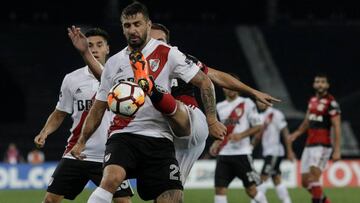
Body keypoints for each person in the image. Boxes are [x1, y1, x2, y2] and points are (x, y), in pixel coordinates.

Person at [70, 2, 226, 202]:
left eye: (137, 24)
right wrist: (81, 141)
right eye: (127, 26)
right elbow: (98, 108)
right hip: (123, 134)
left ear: (148, 25)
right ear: (122, 28)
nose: (132, 30)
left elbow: (204, 81)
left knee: (172, 197)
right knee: (111, 179)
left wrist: (212, 120)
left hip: (159, 136)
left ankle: (150, 87)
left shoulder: (168, 53)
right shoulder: (114, 63)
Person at [149, 23, 280, 183]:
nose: (158, 45)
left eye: (161, 41)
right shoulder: (133, 65)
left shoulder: (181, 60)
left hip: (187, 126)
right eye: (153, 41)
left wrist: (253, 91)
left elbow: (216, 76)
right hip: (157, 130)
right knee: (169, 189)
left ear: (169, 44)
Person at [33, 27, 133, 203]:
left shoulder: (121, 76)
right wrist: (44, 132)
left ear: (107, 48)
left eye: (99, 45)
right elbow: (60, 112)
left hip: (109, 154)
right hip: (76, 152)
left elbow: (105, 79)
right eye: (90, 45)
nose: (94, 49)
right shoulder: (72, 79)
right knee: (50, 200)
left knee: (123, 201)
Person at [209, 86, 268, 203]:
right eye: (228, 87)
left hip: (242, 154)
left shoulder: (247, 103)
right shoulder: (219, 106)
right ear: (224, 89)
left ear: (238, 89)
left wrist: (241, 135)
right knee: (220, 189)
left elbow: (258, 126)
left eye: (234, 87)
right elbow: (221, 130)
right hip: (224, 154)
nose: (231, 89)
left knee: (251, 190)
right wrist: (216, 142)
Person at [289, 73, 341, 203]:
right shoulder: (312, 101)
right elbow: (307, 121)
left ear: (327, 85)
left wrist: (337, 149)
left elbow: (337, 126)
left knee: (313, 178)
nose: (320, 84)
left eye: (323, 82)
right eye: (318, 82)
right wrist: (296, 133)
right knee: (305, 182)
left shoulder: (331, 103)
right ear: (314, 84)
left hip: (322, 145)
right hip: (309, 145)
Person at [251, 100, 295, 203]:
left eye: (261, 101)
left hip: (274, 152)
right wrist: (251, 146)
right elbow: (258, 136)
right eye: (258, 101)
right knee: (276, 178)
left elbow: (285, 132)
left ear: (268, 102)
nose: (259, 103)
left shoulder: (276, 114)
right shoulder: (261, 116)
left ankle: (255, 201)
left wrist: (290, 151)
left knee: (263, 177)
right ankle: (287, 201)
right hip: (269, 152)